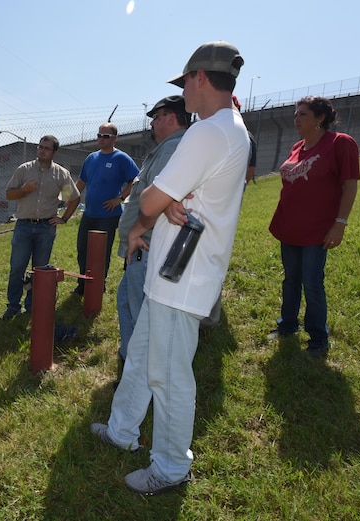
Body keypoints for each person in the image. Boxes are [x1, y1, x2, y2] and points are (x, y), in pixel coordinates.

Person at [91, 41, 250, 496]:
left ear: (200, 77)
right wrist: (160, 211)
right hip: (176, 270)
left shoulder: (208, 132)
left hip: (182, 276)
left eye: (185, 83)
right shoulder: (232, 127)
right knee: (142, 358)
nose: (183, 95)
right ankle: (123, 430)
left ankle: (171, 467)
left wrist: (153, 212)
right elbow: (173, 199)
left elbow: (149, 199)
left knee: (169, 373)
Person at [267, 96, 359, 358]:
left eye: (303, 114)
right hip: (290, 225)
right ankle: (287, 325)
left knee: (312, 282)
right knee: (291, 280)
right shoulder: (297, 147)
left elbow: (349, 185)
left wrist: (339, 224)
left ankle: (318, 339)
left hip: (317, 229)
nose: (296, 119)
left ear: (320, 118)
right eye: (296, 114)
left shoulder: (340, 143)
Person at [115, 95, 191, 382]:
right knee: (130, 305)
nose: (153, 123)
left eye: (156, 117)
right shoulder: (168, 149)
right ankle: (135, 370)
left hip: (146, 247)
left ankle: (137, 378)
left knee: (138, 315)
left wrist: (136, 231)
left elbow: (156, 201)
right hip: (145, 247)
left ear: (170, 118)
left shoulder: (171, 150)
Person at [2, 135, 80, 320]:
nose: (42, 150)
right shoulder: (24, 170)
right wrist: (24, 189)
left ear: (54, 152)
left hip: (46, 228)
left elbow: (73, 198)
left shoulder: (61, 174)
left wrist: (64, 218)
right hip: (23, 226)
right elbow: (9, 194)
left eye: (46, 148)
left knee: (39, 270)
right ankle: (13, 306)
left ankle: (32, 305)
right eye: (40, 147)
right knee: (17, 268)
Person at [199, 96, 258, 328]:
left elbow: (248, 173)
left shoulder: (241, 135)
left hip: (218, 205)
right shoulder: (214, 130)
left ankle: (210, 315)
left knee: (211, 253)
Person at [73, 123, 139, 295]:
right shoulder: (91, 158)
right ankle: (82, 283)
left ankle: (97, 285)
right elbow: (81, 182)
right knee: (83, 250)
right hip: (89, 214)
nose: (101, 139)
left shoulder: (121, 158)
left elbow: (136, 180)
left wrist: (120, 198)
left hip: (108, 216)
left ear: (115, 138)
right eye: (99, 135)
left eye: (106, 136)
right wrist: (66, 197)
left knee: (101, 252)